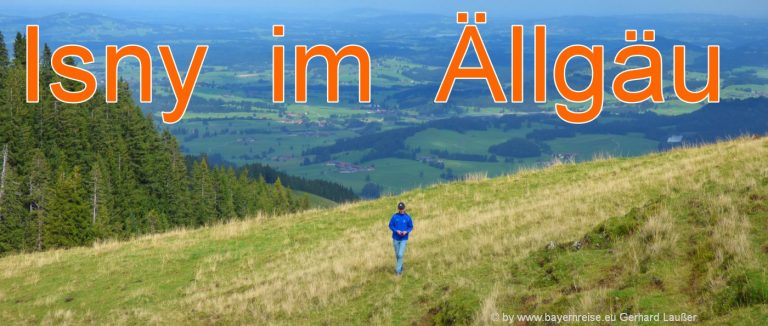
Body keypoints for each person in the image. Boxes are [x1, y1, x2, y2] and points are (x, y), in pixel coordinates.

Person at [388, 201, 413, 276]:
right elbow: (390, 225)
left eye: (402, 209)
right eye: (400, 209)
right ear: (398, 209)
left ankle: (397, 271)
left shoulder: (408, 217)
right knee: (397, 255)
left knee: (400, 254)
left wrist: (406, 231)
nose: (401, 210)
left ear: (405, 208)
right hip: (395, 238)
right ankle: (401, 267)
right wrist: (396, 231)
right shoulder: (394, 216)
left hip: (404, 238)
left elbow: (411, 226)